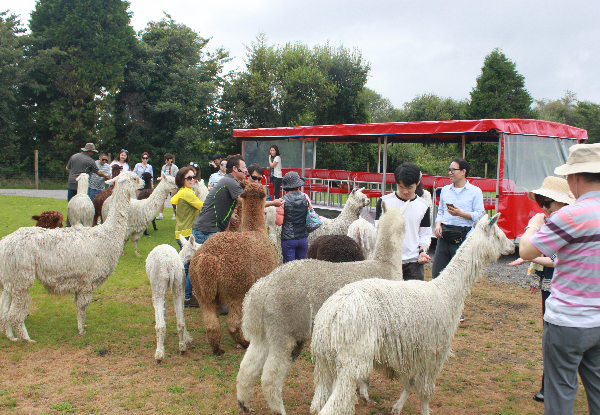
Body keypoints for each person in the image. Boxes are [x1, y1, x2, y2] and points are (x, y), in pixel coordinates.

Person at [519, 143, 600, 415]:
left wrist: (533, 225)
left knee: (561, 392)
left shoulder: (570, 215)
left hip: (568, 321)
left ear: (574, 178)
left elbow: (527, 250)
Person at [507, 176, 575, 403]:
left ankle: (554, 387)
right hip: (552, 283)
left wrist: (529, 253)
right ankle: (550, 385)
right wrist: (535, 271)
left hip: (564, 285)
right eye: (542, 203)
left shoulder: (563, 221)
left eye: (548, 203)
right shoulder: (559, 220)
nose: (544, 208)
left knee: (557, 336)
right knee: (551, 334)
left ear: (563, 203)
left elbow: (555, 258)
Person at [375, 163, 432, 281]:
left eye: (409, 187)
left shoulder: (423, 206)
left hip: (413, 263)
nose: (405, 191)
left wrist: (423, 251)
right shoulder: (384, 202)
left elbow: (425, 233)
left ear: (417, 183)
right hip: (388, 262)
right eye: (401, 187)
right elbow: (377, 231)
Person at [191, 155, 248, 244]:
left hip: (205, 230)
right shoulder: (231, 182)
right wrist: (273, 203)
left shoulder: (228, 181)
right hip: (206, 232)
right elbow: (249, 202)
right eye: (244, 167)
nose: (246, 170)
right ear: (235, 169)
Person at [171, 166, 204, 307]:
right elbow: (203, 206)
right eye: (189, 178)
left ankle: (180, 293)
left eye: (194, 176)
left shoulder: (181, 192)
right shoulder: (188, 194)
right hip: (187, 234)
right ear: (181, 180)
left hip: (180, 232)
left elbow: (173, 201)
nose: (193, 180)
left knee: (184, 266)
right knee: (191, 266)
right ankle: (187, 297)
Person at [277, 171, 309, 263]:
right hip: (303, 238)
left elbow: (279, 222)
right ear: (299, 185)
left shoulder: (282, 200)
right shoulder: (305, 197)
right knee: (301, 268)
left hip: (289, 240)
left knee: (289, 270)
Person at [156, 153, 179, 220]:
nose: (166, 161)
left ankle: (175, 214)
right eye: (165, 159)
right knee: (162, 199)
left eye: (168, 159)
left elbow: (176, 177)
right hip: (165, 185)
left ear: (171, 159)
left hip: (173, 186)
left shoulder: (175, 167)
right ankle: (160, 215)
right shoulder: (164, 167)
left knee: (173, 200)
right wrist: (160, 178)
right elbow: (163, 176)